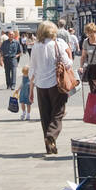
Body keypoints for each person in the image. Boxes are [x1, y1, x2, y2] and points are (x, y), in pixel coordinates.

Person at [29, 21, 74, 156]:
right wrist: (70, 56)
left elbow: (32, 68)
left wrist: (31, 87)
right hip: (56, 84)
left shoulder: (35, 46)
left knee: (45, 116)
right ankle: (51, 135)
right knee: (58, 112)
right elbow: (67, 64)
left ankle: (49, 146)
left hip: (41, 85)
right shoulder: (58, 45)